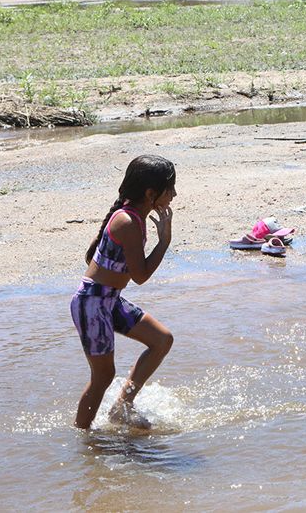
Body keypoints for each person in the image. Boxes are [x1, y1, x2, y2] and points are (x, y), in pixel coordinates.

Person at [72, 155, 176, 430]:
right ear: (150, 193)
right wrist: (164, 242)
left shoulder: (133, 217)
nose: (174, 195)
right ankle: (83, 439)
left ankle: (122, 406)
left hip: (108, 299)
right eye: (170, 189)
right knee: (103, 376)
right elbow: (141, 276)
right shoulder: (128, 222)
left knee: (162, 340)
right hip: (92, 303)